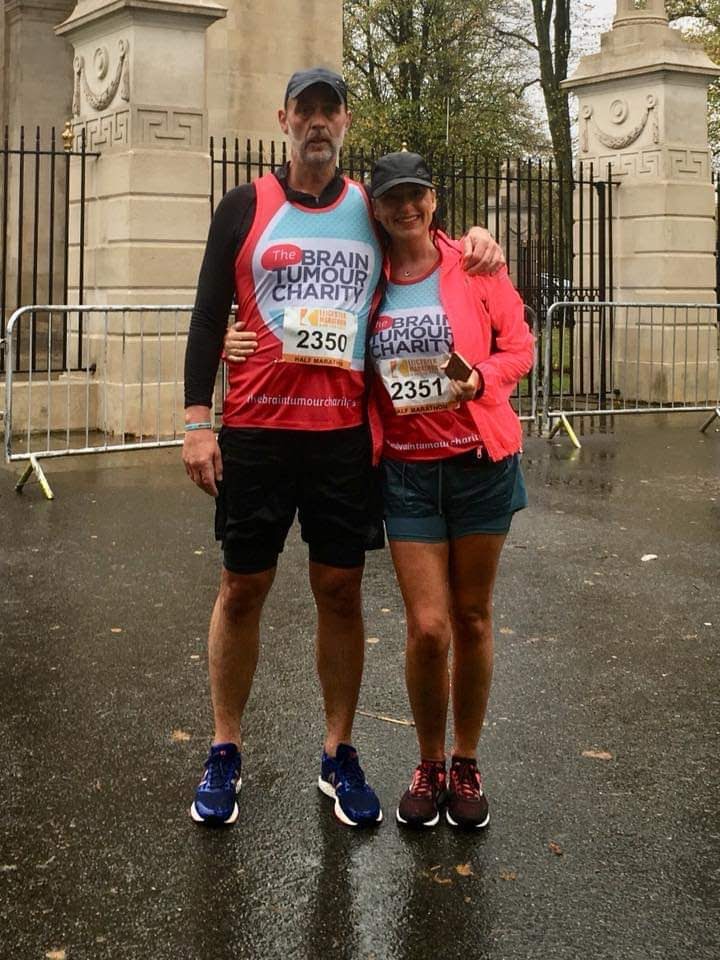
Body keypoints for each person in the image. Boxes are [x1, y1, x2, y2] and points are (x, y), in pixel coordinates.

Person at [183, 67, 504, 829]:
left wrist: (481, 242)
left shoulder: (368, 209)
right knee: (242, 589)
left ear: (345, 123)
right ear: (284, 119)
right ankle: (225, 749)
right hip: (257, 434)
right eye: (306, 111)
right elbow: (205, 316)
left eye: (330, 111)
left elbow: (433, 249)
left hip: (340, 440)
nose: (318, 123)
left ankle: (339, 752)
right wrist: (199, 416)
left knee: (339, 592)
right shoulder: (244, 206)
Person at [366, 151, 535, 829]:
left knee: (471, 618)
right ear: (375, 207)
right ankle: (428, 759)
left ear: (433, 200)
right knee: (428, 627)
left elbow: (517, 347)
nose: (405, 207)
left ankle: (465, 761)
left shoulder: (475, 265)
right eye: (391, 198)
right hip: (407, 473)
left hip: (478, 465)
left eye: (416, 195)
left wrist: (480, 382)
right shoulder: (367, 279)